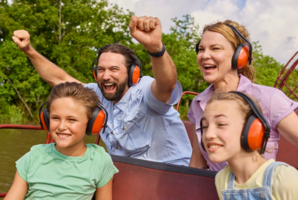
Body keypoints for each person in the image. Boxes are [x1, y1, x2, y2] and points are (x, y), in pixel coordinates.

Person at [11, 16, 192, 166]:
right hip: (126, 176)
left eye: (114, 69)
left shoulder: (144, 91)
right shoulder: (96, 93)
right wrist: (28, 50)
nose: (105, 76)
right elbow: (59, 79)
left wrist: (155, 50)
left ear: (133, 74)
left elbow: (167, 85)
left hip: (170, 177)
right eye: (101, 69)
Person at [187, 19, 298, 171]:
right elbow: (197, 162)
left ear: (240, 55)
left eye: (215, 48)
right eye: (201, 49)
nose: (205, 55)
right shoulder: (197, 104)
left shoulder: (269, 98)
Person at [4, 82, 119, 200]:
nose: (62, 126)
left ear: (91, 123)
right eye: (55, 118)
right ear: (47, 120)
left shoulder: (99, 160)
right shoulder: (33, 156)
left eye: (71, 119)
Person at [201, 91, 298, 200]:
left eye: (221, 124)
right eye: (204, 127)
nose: (208, 134)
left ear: (253, 129)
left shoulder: (285, 179)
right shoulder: (223, 179)